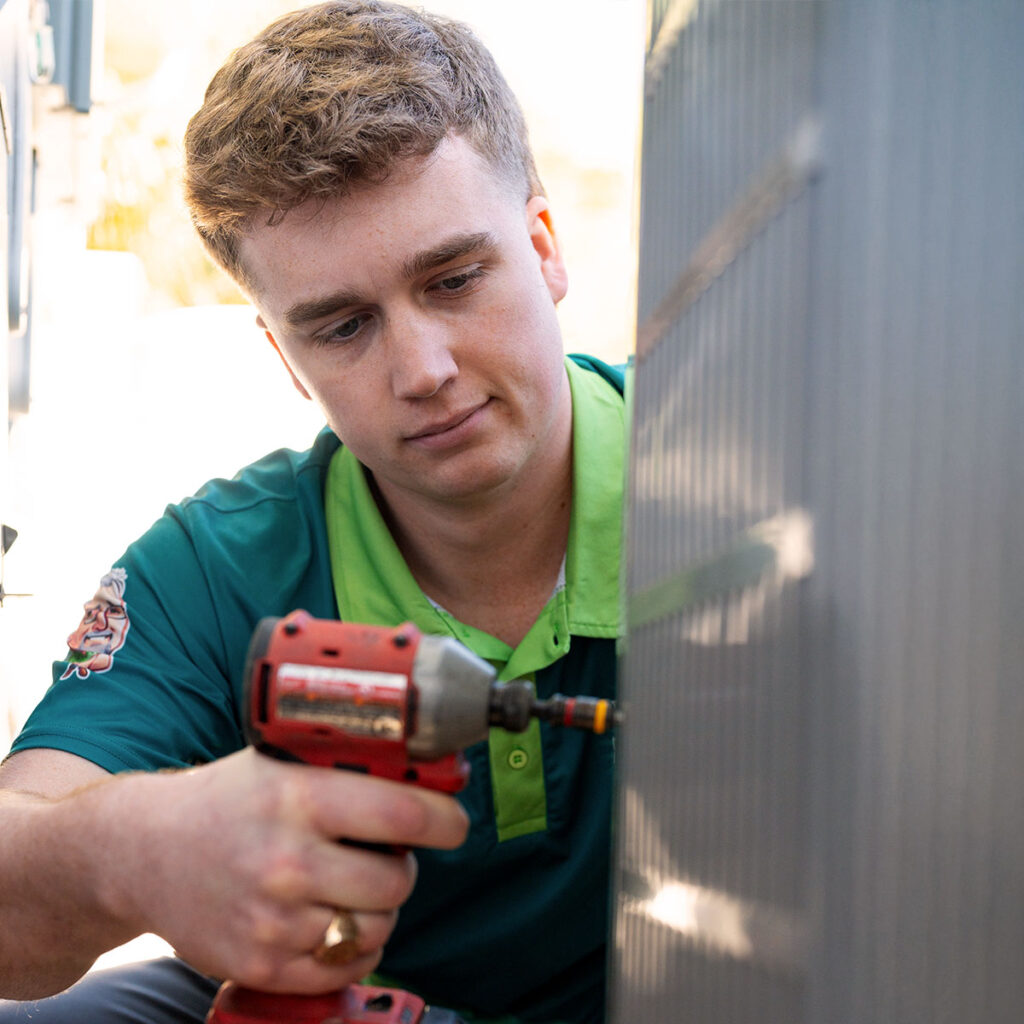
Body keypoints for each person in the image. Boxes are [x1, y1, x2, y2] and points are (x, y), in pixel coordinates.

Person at [0, 3, 626, 1023]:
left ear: (544, 245)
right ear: (284, 358)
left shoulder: (747, 477)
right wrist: (131, 847)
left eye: (454, 279)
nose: (422, 369)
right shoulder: (213, 568)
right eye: (341, 327)